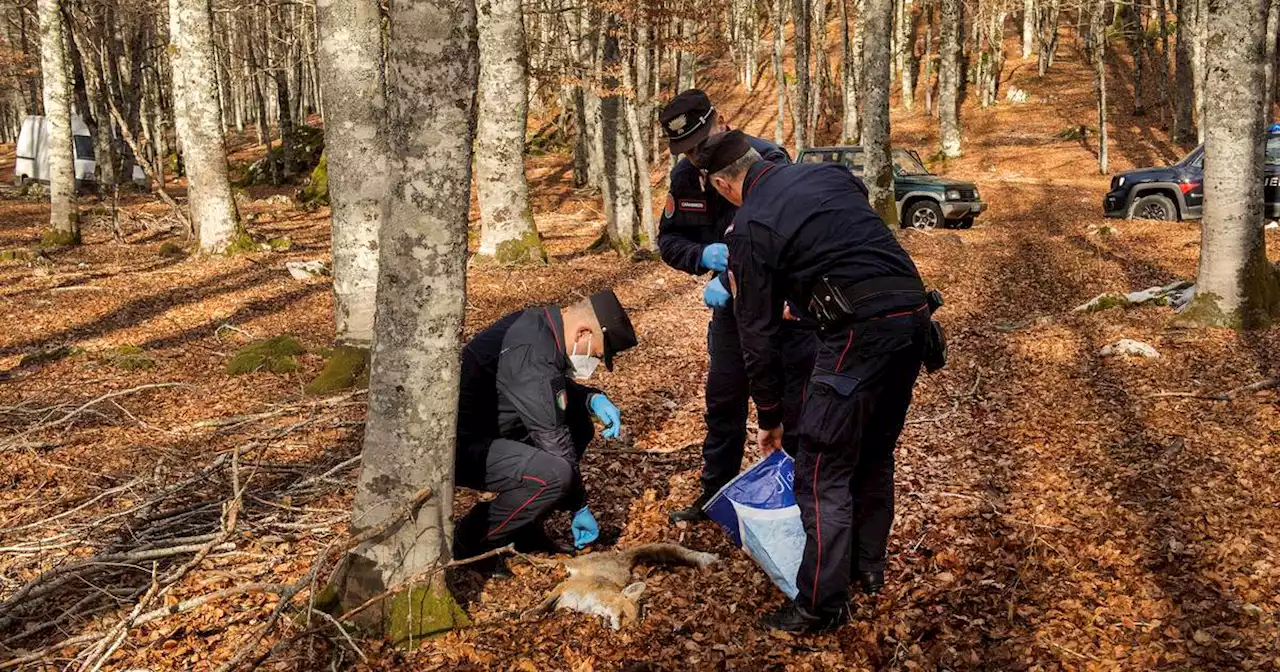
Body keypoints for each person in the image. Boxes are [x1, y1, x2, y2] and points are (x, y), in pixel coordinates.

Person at [698, 130, 937, 633]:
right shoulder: (827, 174)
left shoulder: (749, 227)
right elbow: (851, 241)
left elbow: (757, 334)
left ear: (723, 184)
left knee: (820, 469)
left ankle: (819, 605)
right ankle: (868, 568)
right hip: (914, 319)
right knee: (874, 451)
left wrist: (770, 417)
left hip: (858, 333)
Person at [657, 89, 816, 523]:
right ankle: (714, 495)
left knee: (793, 410)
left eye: (700, 143)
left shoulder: (767, 160)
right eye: (686, 150)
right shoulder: (685, 178)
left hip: (779, 311)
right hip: (729, 316)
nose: (695, 155)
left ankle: (798, 503)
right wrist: (703, 257)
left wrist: (739, 275)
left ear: (721, 121)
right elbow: (669, 242)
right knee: (723, 403)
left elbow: (787, 239)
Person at [452, 290, 638, 567]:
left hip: (492, 429)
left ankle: (524, 528)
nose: (594, 365)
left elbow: (546, 388)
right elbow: (552, 437)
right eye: (597, 356)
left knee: (579, 425)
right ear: (584, 334)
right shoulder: (532, 353)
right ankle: (471, 541)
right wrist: (579, 506)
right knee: (555, 474)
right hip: (462, 447)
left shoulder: (539, 326)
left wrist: (589, 398)